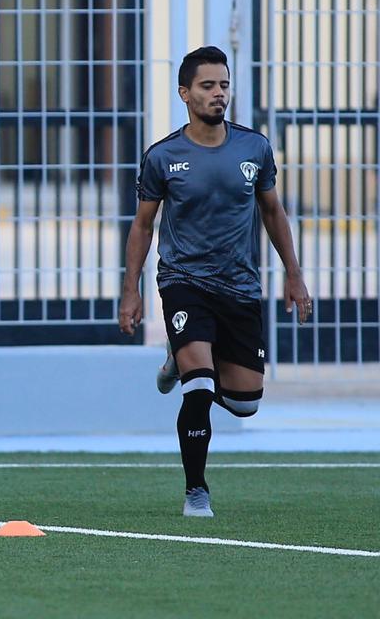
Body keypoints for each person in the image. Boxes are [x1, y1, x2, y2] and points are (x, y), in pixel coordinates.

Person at [119, 45, 312, 518]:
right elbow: (142, 226)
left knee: (245, 405)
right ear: (185, 93)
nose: (218, 94)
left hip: (240, 288)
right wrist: (131, 291)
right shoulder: (163, 156)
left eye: (224, 85)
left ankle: (179, 360)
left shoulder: (255, 148)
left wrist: (294, 274)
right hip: (184, 281)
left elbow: (272, 211)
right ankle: (196, 492)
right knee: (200, 389)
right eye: (207, 86)